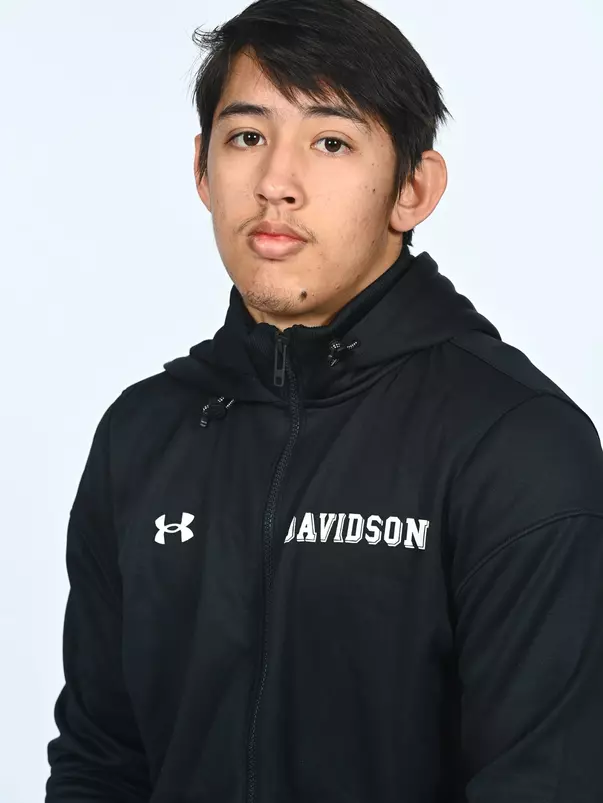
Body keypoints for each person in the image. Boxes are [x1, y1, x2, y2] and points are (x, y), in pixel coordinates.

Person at [45, 0, 603, 801]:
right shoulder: (142, 434)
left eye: (331, 141)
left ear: (412, 187)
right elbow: (100, 759)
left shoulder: (515, 443)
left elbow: (545, 781)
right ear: (202, 169)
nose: (276, 182)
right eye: (247, 137)